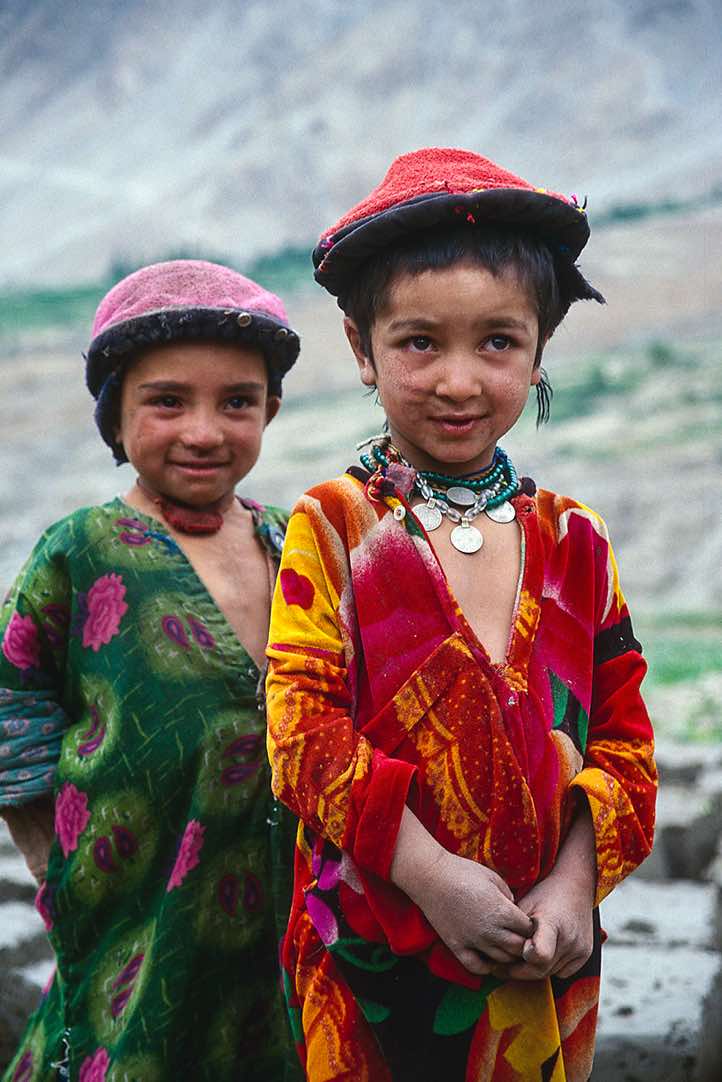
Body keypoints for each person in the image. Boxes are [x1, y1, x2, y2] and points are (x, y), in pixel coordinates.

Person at [265, 148, 657, 1081]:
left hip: (539, 961)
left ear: (538, 349)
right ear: (361, 349)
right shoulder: (334, 525)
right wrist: (431, 877)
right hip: (373, 954)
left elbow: (627, 745)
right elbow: (300, 732)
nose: (458, 380)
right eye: (417, 342)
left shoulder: (577, 542)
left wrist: (572, 886)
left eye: (496, 342)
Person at [0, 259, 303, 1081]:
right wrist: (45, 860)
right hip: (132, 895)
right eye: (167, 401)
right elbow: (10, 703)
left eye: (236, 401)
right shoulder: (79, 550)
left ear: (270, 409)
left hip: (286, 906)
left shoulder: (298, 542)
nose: (203, 430)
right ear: (115, 415)